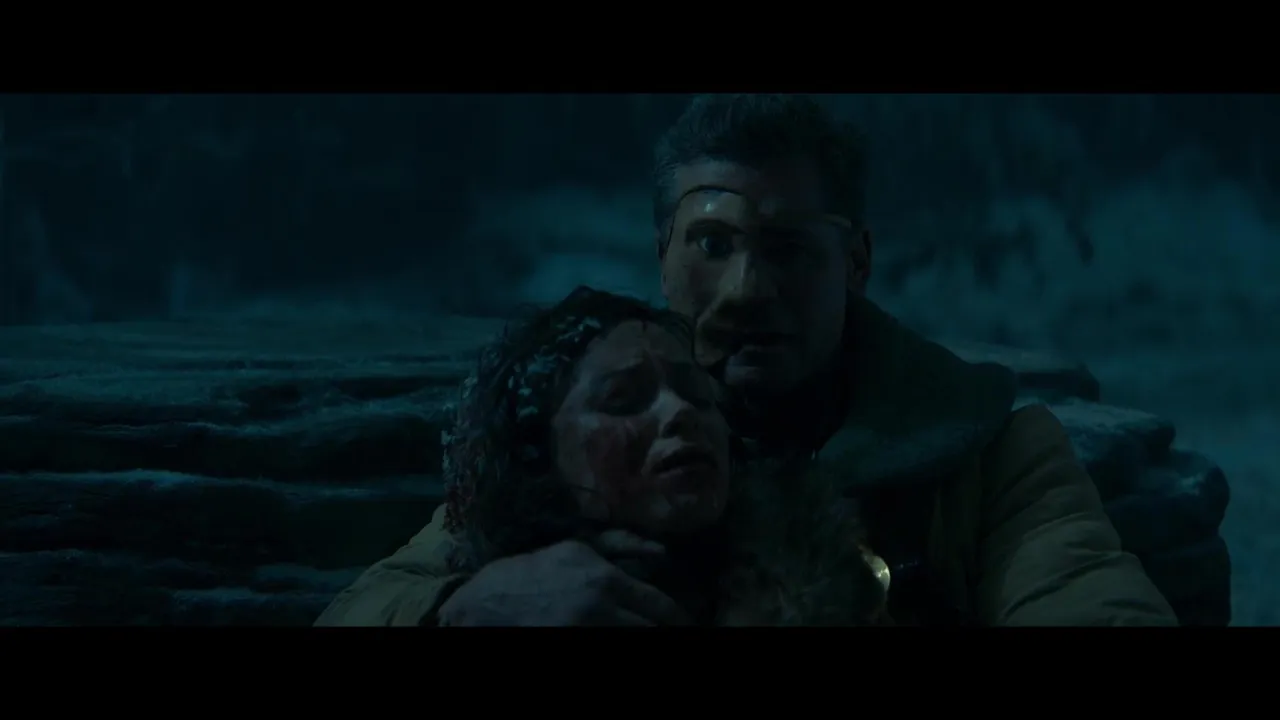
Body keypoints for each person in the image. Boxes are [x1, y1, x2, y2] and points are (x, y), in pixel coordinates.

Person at [317, 94, 1178, 626]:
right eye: (712, 245)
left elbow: (1089, 602)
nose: (746, 291)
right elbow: (373, 604)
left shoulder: (993, 456)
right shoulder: (596, 441)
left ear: (855, 261)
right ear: (663, 257)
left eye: (788, 249)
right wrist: (465, 608)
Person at [384, 286, 888, 625]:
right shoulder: (477, 576)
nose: (681, 412)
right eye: (623, 400)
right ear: (538, 450)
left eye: (696, 393)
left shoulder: (818, 582)